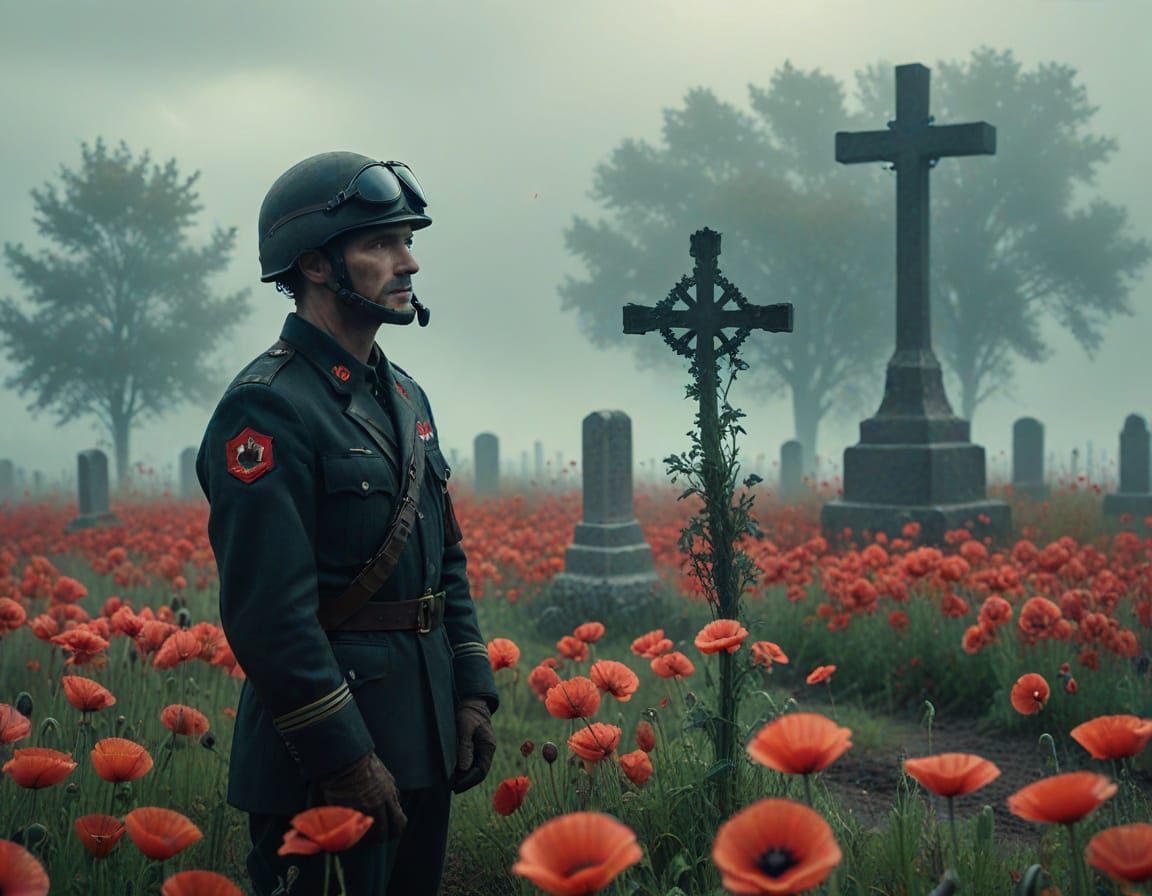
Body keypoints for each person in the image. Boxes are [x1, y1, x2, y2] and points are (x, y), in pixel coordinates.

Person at [196, 151, 499, 895]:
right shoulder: (267, 407)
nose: (409, 262)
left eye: (407, 241)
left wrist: (470, 691)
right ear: (316, 266)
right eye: (381, 243)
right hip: (323, 762)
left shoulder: (406, 396)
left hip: (423, 737)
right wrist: (342, 756)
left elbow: (445, 561)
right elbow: (270, 616)